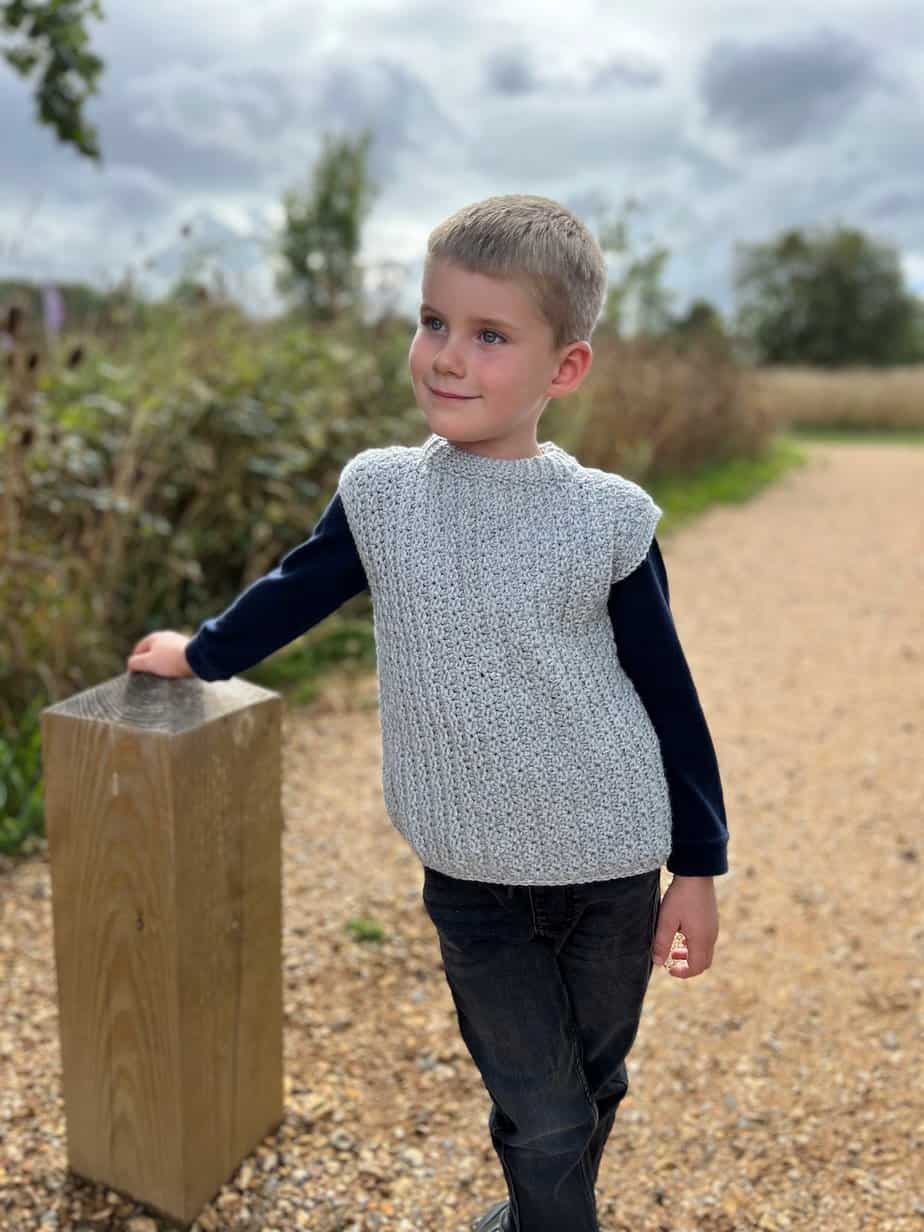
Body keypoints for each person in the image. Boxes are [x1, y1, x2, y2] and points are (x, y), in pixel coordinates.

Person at [127, 193, 729, 1232]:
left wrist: (701, 868)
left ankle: (532, 1212)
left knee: (592, 1086)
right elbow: (296, 588)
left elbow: (669, 697)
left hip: (615, 864)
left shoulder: (608, 519)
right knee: (541, 1113)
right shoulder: (384, 496)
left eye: (490, 335)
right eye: (433, 320)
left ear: (564, 368)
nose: (448, 355)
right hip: (475, 873)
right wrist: (204, 650)